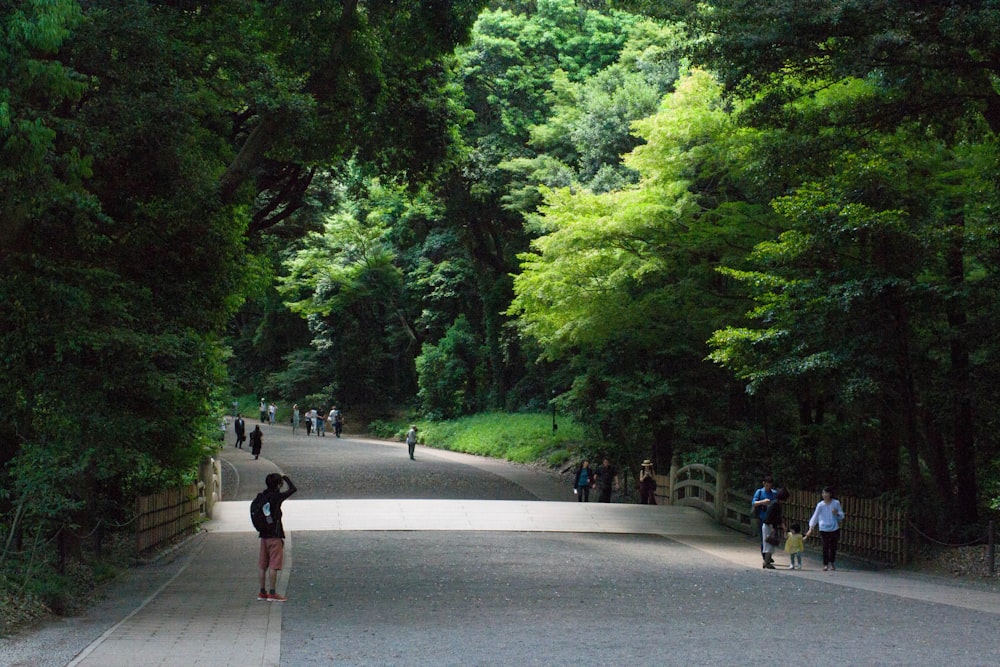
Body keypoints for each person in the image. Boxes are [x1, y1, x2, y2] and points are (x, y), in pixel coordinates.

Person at [256, 473, 298, 601]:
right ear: (279, 484)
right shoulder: (277, 497)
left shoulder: (261, 496)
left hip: (263, 535)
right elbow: (293, 490)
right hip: (275, 536)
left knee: (263, 565)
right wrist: (287, 479)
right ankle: (272, 593)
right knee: (274, 565)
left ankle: (262, 592)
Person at [804, 487, 846, 571]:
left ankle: (832, 562)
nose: (825, 495)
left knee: (833, 546)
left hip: (834, 527)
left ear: (830, 494)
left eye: (826, 493)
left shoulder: (836, 503)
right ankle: (825, 564)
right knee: (825, 546)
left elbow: (842, 516)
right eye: (823, 493)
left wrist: (836, 513)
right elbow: (815, 516)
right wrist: (811, 527)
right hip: (824, 528)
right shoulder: (820, 505)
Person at [752, 475, 777, 566]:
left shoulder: (774, 493)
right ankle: (765, 556)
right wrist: (763, 502)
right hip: (762, 516)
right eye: (767, 485)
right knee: (764, 537)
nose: (768, 487)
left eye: (770, 485)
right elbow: (754, 503)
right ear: (764, 483)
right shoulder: (759, 492)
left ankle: (769, 555)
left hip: (772, 518)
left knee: (772, 537)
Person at [761, 487, 789, 569]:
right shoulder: (774, 505)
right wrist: (772, 527)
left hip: (771, 526)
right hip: (769, 526)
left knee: (770, 544)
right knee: (769, 544)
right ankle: (767, 562)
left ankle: (766, 561)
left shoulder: (776, 504)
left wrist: (782, 526)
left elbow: (778, 517)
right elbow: (769, 517)